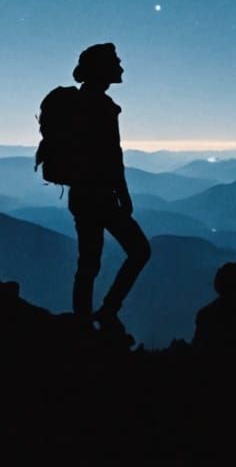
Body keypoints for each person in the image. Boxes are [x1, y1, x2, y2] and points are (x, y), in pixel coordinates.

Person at [62, 43, 151, 338]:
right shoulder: (100, 107)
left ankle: (82, 320)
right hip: (99, 196)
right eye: (116, 63)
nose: (121, 68)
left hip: (81, 194)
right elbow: (112, 154)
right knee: (139, 251)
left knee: (88, 261)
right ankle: (105, 311)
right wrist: (123, 194)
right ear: (103, 69)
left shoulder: (83, 103)